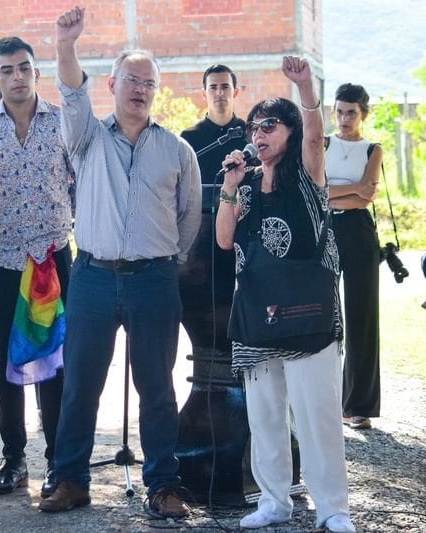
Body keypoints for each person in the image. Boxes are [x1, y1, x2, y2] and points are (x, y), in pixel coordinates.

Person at [40, 8, 201, 516]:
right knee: (81, 383)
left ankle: (163, 486)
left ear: (156, 91)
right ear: (111, 84)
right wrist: (66, 45)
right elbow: (69, 94)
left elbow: (188, 217)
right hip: (92, 277)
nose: (139, 89)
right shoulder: (86, 137)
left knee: (157, 386)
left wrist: (164, 259)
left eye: (148, 82)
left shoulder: (176, 150)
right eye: (130, 79)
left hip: (154, 280)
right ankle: (70, 479)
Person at [214, 56, 356, 532]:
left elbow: (316, 134)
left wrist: (306, 90)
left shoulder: (309, 174)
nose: (259, 133)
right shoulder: (247, 182)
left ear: (291, 131)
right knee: (266, 416)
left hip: (309, 316)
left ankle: (333, 508)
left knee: (317, 417)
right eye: (254, 126)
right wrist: (230, 188)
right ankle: (275, 500)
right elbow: (223, 239)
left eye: (270, 124)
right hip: (256, 313)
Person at [0, 36, 75, 498]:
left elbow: (81, 180)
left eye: (24, 68)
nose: (16, 77)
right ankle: (12, 459)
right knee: (6, 358)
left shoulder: (62, 123)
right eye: (6, 70)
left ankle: (57, 461)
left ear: (36, 73)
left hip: (51, 258)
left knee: (54, 360)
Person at [179, 64, 247, 363]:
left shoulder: (249, 136)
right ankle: (206, 379)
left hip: (241, 237)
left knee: (237, 308)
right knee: (201, 312)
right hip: (201, 242)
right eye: (213, 87)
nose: (219, 93)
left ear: (236, 91)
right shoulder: (188, 138)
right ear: (203, 93)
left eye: (225, 87)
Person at [325, 83, 382, 431]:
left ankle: (358, 405)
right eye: (340, 111)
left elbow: (366, 198)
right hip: (326, 231)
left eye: (352, 112)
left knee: (362, 318)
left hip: (359, 233)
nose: (345, 118)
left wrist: (334, 195)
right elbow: (318, 193)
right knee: (324, 315)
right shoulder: (325, 145)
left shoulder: (373, 149)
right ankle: (324, 400)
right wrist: (350, 189)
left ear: (363, 114)